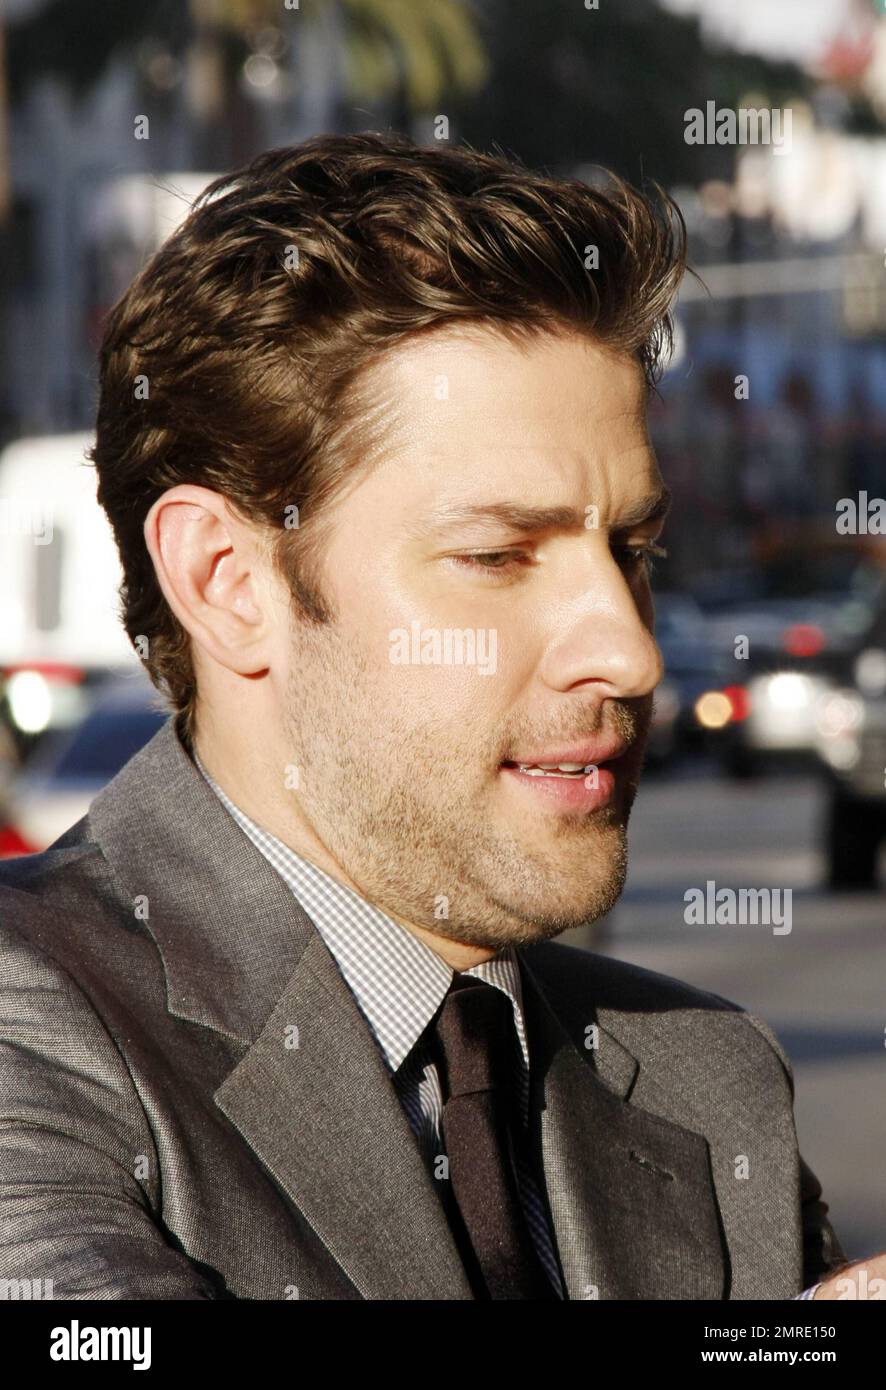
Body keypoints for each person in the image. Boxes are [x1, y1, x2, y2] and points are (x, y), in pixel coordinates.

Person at [0, 132, 875, 1300]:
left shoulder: (706, 1084)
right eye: (497, 554)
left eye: (633, 549)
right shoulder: (35, 1021)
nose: (626, 646)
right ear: (226, 581)